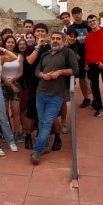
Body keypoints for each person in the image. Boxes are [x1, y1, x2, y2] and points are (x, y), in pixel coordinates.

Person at [31, 31, 79, 165]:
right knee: (41, 121)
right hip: (40, 93)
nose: (55, 40)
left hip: (56, 94)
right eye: (53, 38)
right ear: (50, 40)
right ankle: (45, 145)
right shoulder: (45, 54)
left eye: (58, 38)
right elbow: (36, 71)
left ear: (63, 40)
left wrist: (60, 72)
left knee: (47, 122)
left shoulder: (67, 53)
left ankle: (37, 150)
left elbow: (75, 70)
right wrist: (42, 75)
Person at [69, 7, 93, 108]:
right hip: (79, 56)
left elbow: (97, 31)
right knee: (82, 78)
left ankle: (96, 99)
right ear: (73, 15)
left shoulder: (88, 24)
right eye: (74, 13)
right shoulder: (71, 28)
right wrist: (75, 54)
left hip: (91, 55)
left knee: (93, 78)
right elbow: (70, 42)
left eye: (78, 13)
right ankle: (86, 98)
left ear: (82, 13)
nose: (77, 15)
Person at [2, 35, 24, 141]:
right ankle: (7, 134)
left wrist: (12, 81)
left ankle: (17, 133)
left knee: (16, 110)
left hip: (16, 84)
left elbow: (21, 72)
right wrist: (8, 82)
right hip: (3, 85)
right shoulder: (1, 56)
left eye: (12, 42)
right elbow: (0, 71)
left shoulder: (19, 56)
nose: (10, 44)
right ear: (5, 44)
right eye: (8, 42)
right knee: (5, 111)